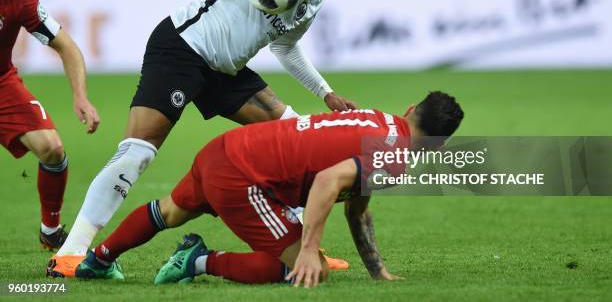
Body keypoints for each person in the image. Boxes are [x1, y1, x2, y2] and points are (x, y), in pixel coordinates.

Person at [48, 0, 362, 277]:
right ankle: (71, 252)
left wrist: (325, 92)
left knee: (298, 139)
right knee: (138, 152)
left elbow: (285, 47)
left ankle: (303, 248)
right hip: (183, 46)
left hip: (225, 70)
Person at [71, 91, 464, 288]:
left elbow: (356, 208)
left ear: (411, 109)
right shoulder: (395, 156)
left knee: (169, 211)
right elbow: (328, 182)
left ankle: (99, 259)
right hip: (246, 177)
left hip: (226, 149)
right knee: (310, 270)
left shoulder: (381, 120)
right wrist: (308, 252)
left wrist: (379, 273)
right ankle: (198, 260)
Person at [0, 0, 100, 250]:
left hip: (1, 85)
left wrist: (81, 97)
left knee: (52, 149)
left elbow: (66, 46)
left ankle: (51, 230)